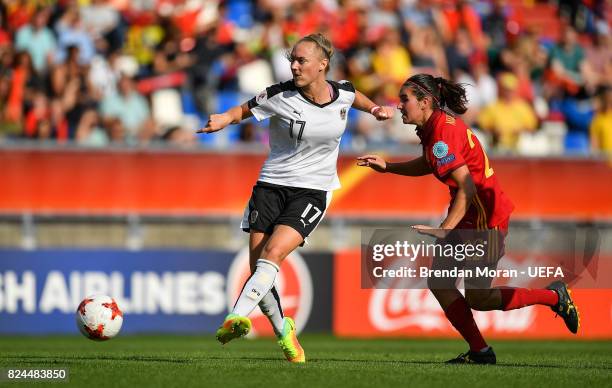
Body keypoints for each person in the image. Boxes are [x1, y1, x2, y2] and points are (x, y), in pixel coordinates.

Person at [196, 33, 393, 363]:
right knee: (259, 266)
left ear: (322, 65)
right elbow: (243, 110)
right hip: (270, 186)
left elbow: (354, 96)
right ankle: (284, 332)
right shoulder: (279, 95)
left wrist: (374, 108)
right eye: (292, 60)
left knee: (273, 254)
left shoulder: (341, 92)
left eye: (301, 60)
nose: (294, 65)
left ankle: (235, 316)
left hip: (313, 191)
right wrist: (224, 119)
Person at [357, 74, 579, 364]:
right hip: (468, 213)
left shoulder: (441, 133)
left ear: (424, 102)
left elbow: (468, 187)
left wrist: (445, 229)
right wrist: (390, 168)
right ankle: (481, 351)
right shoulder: (434, 128)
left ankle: (554, 297)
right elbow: (431, 162)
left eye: (404, 100)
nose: (399, 106)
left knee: (479, 298)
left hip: (486, 216)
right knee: (439, 282)